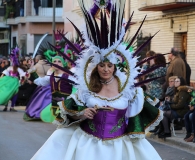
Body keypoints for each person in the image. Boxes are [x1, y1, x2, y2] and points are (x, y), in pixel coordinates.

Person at [31, 1, 163, 159]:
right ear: (96, 67)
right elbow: (69, 115)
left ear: (115, 66)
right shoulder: (86, 90)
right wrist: (82, 113)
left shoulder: (129, 91)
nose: (106, 69)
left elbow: (135, 119)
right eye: (102, 65)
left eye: (109, 65)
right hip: (86, 145)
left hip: (119, 148)